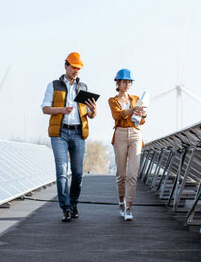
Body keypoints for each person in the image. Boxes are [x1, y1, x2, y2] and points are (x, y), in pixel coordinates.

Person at [41, 52, 97, 222]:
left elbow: (90, 114)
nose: (76, 71)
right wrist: (61, 110)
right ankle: (65, 208)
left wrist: (94, 110)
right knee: (62, 171)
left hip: (79, 133)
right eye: (73, 67)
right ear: (65, 66)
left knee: (78, 173)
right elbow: (45, 108)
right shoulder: (54, 85)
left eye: (78, 68)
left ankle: (73, 203)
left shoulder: (83, 88)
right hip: (60, 133)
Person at [108, 69, 147, 221]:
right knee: (121, 174)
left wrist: (142, 114)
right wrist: (132, 110)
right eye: (124, 82)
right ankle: (121, 201)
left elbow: (142, 120)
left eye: (129, 82)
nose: (127, 84)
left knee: (132, 174)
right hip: (120, 135)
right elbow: (117, 115)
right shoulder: (112, 100)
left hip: (135, 134)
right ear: (118, 83)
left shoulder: (136, 98)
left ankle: (129, 206)